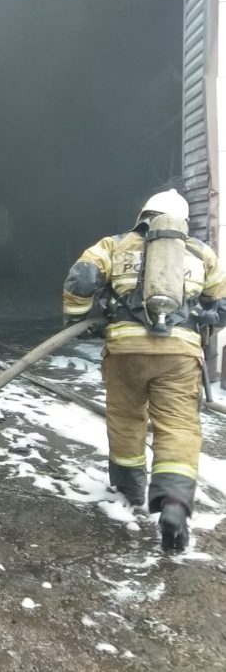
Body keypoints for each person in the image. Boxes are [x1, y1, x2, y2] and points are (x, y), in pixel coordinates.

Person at [62, 189, 226, 552]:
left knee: (126, 419)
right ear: (184, 220)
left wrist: (77, 319)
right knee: (179, 426)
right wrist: (204, 321)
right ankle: (174, 503)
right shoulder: (201, 252)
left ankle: (130, 490)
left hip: (125, 352)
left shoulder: (114, 245)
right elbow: (221, 304)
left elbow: (81, 279)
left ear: (143, 216)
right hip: (179, 356)